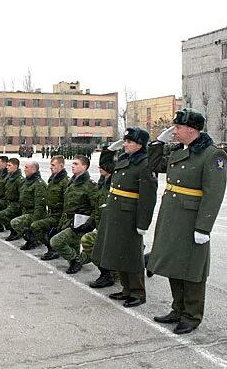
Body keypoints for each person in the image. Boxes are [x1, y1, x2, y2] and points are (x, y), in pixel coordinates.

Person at [147, 108, 227, 334]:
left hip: (192, 220)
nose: (174, 131)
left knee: (192, 269)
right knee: (174, 263)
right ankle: (178, 308)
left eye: (178, 127)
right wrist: (157, 143)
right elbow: (154, 166)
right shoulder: (181, 150)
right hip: (173, 217)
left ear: (192, 129)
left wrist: (204, 227)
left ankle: (191, 316)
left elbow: (214, 194)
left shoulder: (212, 154)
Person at [92, 127, 157, 308]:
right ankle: (126, 289)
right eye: (125, 141)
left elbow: (148, 197)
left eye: (129, 142)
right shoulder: (124, 159)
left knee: (132, 255)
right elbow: (106, 166)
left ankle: (137, 292)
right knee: (119, 252)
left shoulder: (146, 164)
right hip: (116, 211)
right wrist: (109, 150)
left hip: (130, 214)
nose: (125, 144)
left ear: (140, 144)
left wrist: (143, 223)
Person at [49, 155, 96, 274]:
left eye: (76, 164)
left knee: (56, 241)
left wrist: (89, 223)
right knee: (72, 246)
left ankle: (77, 261)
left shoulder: (89, 185)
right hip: (68, 220)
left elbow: (95, 207)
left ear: (84, 167)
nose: (73, 166)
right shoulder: (72, 181)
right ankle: (79, 260)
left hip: (80, 222)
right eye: (73, 164)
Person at [80, 147, 116, 288]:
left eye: (104, 164)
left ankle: (108, 274)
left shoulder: (115, 184)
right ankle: (107, 273)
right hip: (102, 226)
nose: (100, 167)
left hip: (113, 227)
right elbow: (96, 207)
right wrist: (90, 223)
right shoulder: (101, 183)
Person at [31, 155, 69, 260]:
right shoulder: (53, 179)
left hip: (59, 215)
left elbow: (67, 202)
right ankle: (51, 247)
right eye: (50, 165)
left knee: (36, 226)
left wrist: (62, 221)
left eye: (53, 165)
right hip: (51, 213)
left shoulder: (65, 181)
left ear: (61, 166)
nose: (50, 167)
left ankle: (54, 249)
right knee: (38, 226)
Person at [10, 161, 47, 250]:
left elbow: (40, 205)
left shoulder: (38, 184)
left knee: (15, 223)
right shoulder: (27, 181)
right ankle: (31, 239)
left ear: (33, 169)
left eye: (26, 167)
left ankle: (34, 240)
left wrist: (35, 221)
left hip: (33, 212)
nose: (24, 169)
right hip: (25, 210)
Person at [0, 158, 24, 241]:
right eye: (7, 165)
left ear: (16, 166)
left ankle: (15, 231)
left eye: (9, 165)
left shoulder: (19, 179)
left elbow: (22, 195)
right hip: (9, 202)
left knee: (1, 215)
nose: (7, 167)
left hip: (16, 204)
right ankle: (12, 230)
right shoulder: (10, 177)